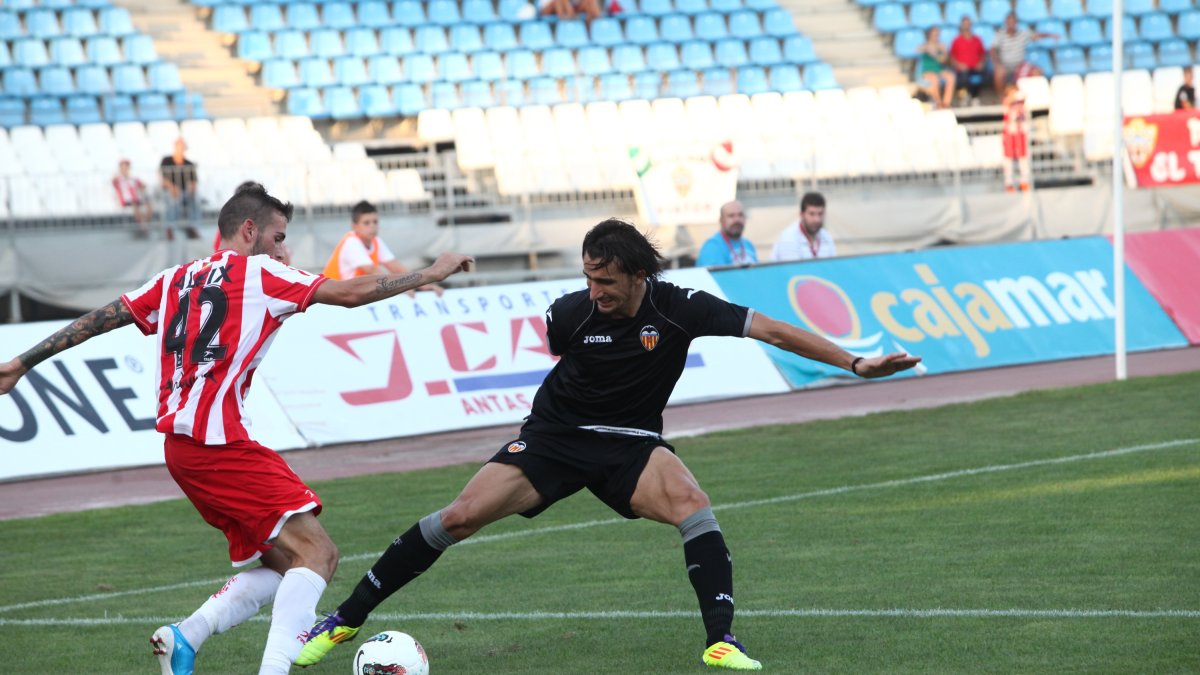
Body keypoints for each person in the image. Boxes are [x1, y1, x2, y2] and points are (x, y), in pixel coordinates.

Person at [296, 219, 920, 672]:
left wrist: (855, 362)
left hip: (631, 444)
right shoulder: (571, 313)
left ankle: (720, 642)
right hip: (554, 438)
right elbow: (563, 357)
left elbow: (774, 330)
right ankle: (345, 620)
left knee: (692, 504)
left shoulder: (682, 308)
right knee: (456, 517)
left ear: (640, 274)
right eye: (590, 278)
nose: (596, 291)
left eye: (608, 281)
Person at [0, 183, 473, 675]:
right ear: (249, 231)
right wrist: (430, 273)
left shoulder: (173, 278)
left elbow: (100, 320)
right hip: (219, 445)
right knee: (318, 554)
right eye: (278, 236)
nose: (284, 250)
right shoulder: (261, 272)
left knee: (286, 563)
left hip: (182, 451)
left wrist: (20, 362)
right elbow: (349, 293)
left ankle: (187, 636)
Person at [325, 200, 443, 295]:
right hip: (333, 296)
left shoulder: (376, 241)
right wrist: (400, 287)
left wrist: (422, 285)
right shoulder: (351, 242)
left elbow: (396, 267)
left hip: (350, 294)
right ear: (354, 226)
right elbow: (372, 271)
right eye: (366, 223)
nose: (372, 226)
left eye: (375, 222)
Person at [991, 13, 1057, 95]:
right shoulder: (1000, 35)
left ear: (1016, 23)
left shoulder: (1023, 34)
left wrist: (1051, 35)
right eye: (1009, 22)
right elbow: (993, 49)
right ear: (1006, 23)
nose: (1011, 24)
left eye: (1013, 22)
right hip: (1005, 65)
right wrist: (997, 64)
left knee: (1037, 72)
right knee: (998, 74)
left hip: (1020, 65)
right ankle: (1002, 99)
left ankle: (1033, 97)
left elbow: (1037, 35)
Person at [769, 192, 835, 261]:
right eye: (812, 214)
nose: (817, 220)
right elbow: (793, 270)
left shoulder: (827, 237)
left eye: (820, 214)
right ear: (801, 215)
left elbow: (831, 267)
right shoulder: (788, 238)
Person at [695, 200, 758, 267]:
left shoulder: (748, 245)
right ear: (721, 220)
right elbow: (717, 276)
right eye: (731, 216)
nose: (737, 220)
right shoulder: (712, 246)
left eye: (740, 215)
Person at [160, 137, 200, 238]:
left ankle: (193, 227)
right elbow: (162, 180)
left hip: (185, 192)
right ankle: (171, 228)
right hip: (169, 191)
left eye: (182, 147)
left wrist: (191, 189)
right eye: (179, 147)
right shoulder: (166, 161)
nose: (181, 149)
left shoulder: (189, 164)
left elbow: (193, 182)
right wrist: (172, 188)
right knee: (173, 199)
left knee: (196, 198)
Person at [1001, 83, 1031, 192]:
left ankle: (1024, 181)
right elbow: (1006, 104)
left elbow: (1025, 96)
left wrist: (1018, 95)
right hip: (1009, 134)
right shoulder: (1007, 102)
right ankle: (1009, 183)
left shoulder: (1021, 103)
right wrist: (1012, 97)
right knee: (1008, 159)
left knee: (1023, 158)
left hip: (1020, 134)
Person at [949, 16, 986, 105]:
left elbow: (982, 54)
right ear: (961, 25)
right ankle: (964, 97)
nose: (966, 26)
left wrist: (981, 63)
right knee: (963, 75)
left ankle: (974, 97)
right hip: (962, 69)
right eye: (964, 24)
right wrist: (958, 65)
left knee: (977, 76)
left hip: (975, 67)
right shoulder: (956, 40)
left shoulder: (977, 39)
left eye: (968, 24)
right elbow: (952, 56)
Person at [916, 26, 956, 109]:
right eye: (934, 34)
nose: (936, 36)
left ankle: (946, 103)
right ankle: (938, 103)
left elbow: (943, 60)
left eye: (937, 35)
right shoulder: (925, 45)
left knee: (951, 77)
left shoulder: (941, 46)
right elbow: (917, 49)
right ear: (929, 35)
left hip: (938, 70)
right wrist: (928, 48)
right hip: (927, 71)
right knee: (934, 79)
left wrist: (943, 53)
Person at [112, 158, 153, 235]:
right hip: (126, 201)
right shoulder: (118, 179)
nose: (125, 169)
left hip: (137, 199)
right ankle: (142, 227)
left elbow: (143, 185)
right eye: (123, 167)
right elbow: (113, 181)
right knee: (135, 205)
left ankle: (145, 226)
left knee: (149, 206)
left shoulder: (134, 179)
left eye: (126, 167)